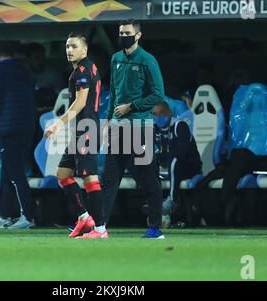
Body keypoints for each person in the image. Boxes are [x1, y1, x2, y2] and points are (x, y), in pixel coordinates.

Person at [102, 19, 165, 239]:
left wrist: (131, 106)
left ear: (138, 36)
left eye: (127, 33)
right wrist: (109, 120)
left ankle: (155, 229)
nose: (123, 36)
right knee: (109, 178)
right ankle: (99, 227)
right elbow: (114, 93)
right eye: (120, 32)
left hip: (139, 126)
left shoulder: (148, 60)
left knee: (148, 179)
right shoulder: (116, 59)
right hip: (119, 128)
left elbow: (158, 95)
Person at [44, 32, 108, 239]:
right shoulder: (82, 70)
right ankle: (83, 217)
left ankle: (100, 229)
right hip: (80, 130)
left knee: (89, 177)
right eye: (67, 47)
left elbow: (81, 102)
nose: (69, 50)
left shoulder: (83, 70)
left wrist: (58, 124)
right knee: (63, 174)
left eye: (73, 46)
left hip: (87, 129)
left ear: (85, 49)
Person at [0, 41, 37, 230]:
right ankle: (5, 214)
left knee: (14, 172)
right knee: (7, 172)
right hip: (27, 126)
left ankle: (28, 216)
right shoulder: (25, 70)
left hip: (7, 127)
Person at [153, 101, 202, 223]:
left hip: (189, 166)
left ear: (169, 113)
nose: (158, 117)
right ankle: (153, 200)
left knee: (175, 160)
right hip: (170, 167)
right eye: (155, 114)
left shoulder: (179, 126)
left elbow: (181, 153)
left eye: (161, 113)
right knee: (148, 162)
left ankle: (172, 200)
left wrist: (164, 157)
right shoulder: (155, 129)